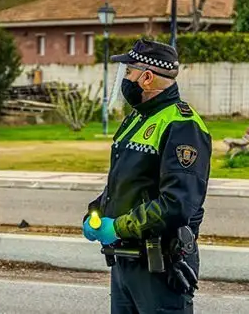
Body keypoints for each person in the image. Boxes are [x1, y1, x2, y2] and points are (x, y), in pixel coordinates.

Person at [82, 38, 212, 313]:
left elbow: (176, 204)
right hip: (125, 261)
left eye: (129, 72)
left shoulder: (182, 125)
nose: (125, 79)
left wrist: (116, 227)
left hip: (160, 266)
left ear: (148, 77)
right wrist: (96, 213)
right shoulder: (137, 119)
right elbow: (127, 183)